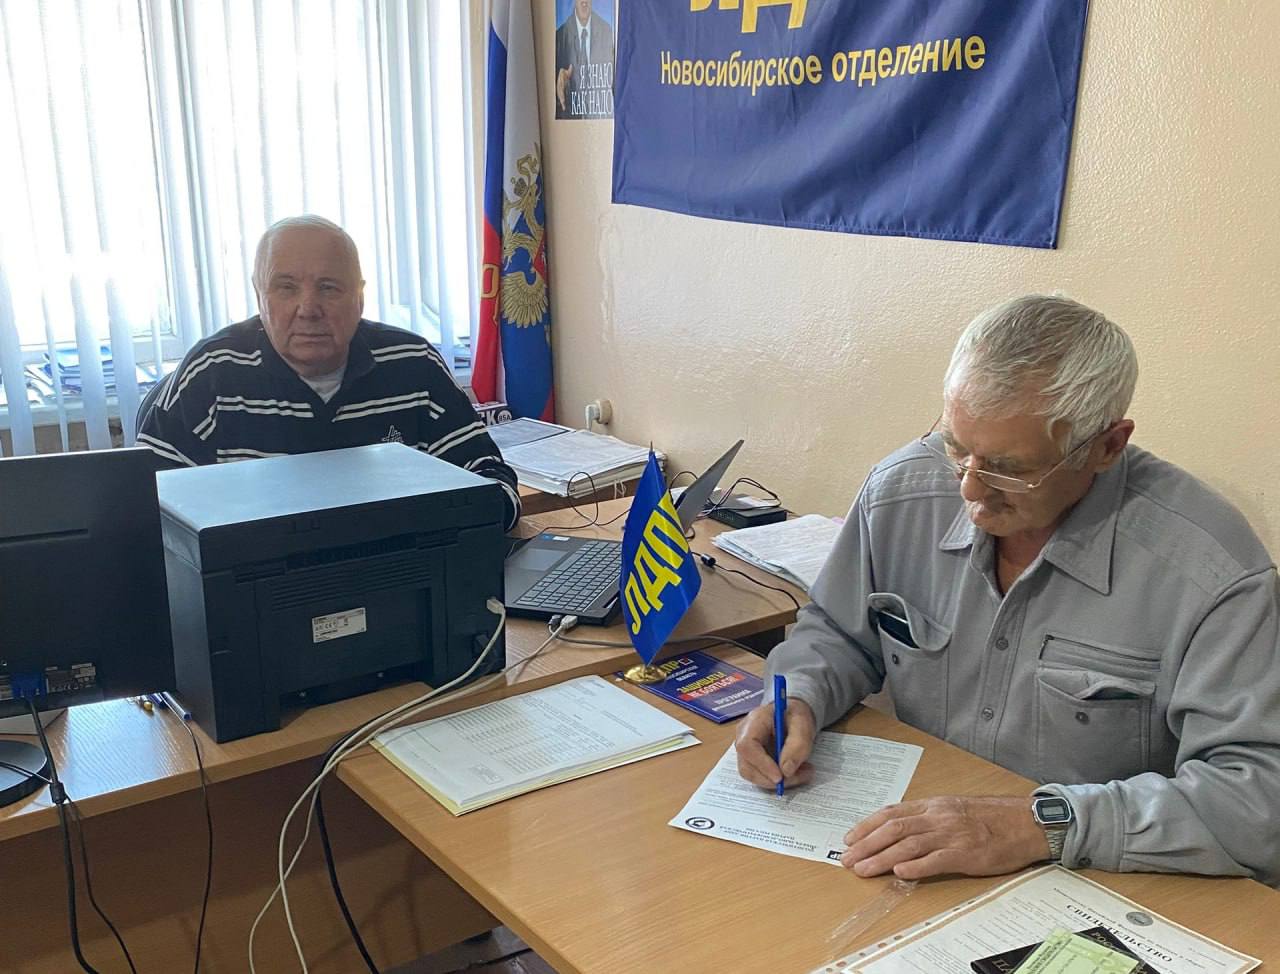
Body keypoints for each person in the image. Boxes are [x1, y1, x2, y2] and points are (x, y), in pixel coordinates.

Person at [736, 294, 1280, 886]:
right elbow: (839, 633)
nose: (970, 490)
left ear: (1107, 446)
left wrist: (1040, 825)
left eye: (1010, 468)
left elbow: (1259, 798)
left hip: (1103, 874)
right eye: (955, 447)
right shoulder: (902, 491)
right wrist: (800, 696)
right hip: (918, 845)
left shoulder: (1210, 573)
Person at [139, 215, 521, 530]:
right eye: (286, 288)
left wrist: (440, 533)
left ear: (359, 296)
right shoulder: (212, 372)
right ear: (259, 295)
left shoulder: (413, 364)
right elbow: (144, 510)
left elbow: (491, 478)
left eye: (329, 288)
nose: (308, 309)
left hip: (393, 572)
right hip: (256, 583)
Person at [555, 0, 615, 120]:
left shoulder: (607, 32)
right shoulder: (560, 36)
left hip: (602, 122)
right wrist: (559, 87)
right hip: (570, 123)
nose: (584, 2)